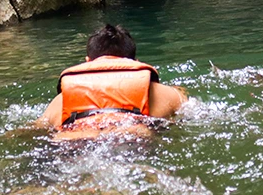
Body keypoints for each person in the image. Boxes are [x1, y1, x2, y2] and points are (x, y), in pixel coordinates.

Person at [35, 24, 187, 140]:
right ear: (135, 62)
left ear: (88, 62)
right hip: (132, 138)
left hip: (74, 141)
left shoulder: (61, 101)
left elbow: (35, 129)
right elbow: (190, 111)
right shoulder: (163, 93)